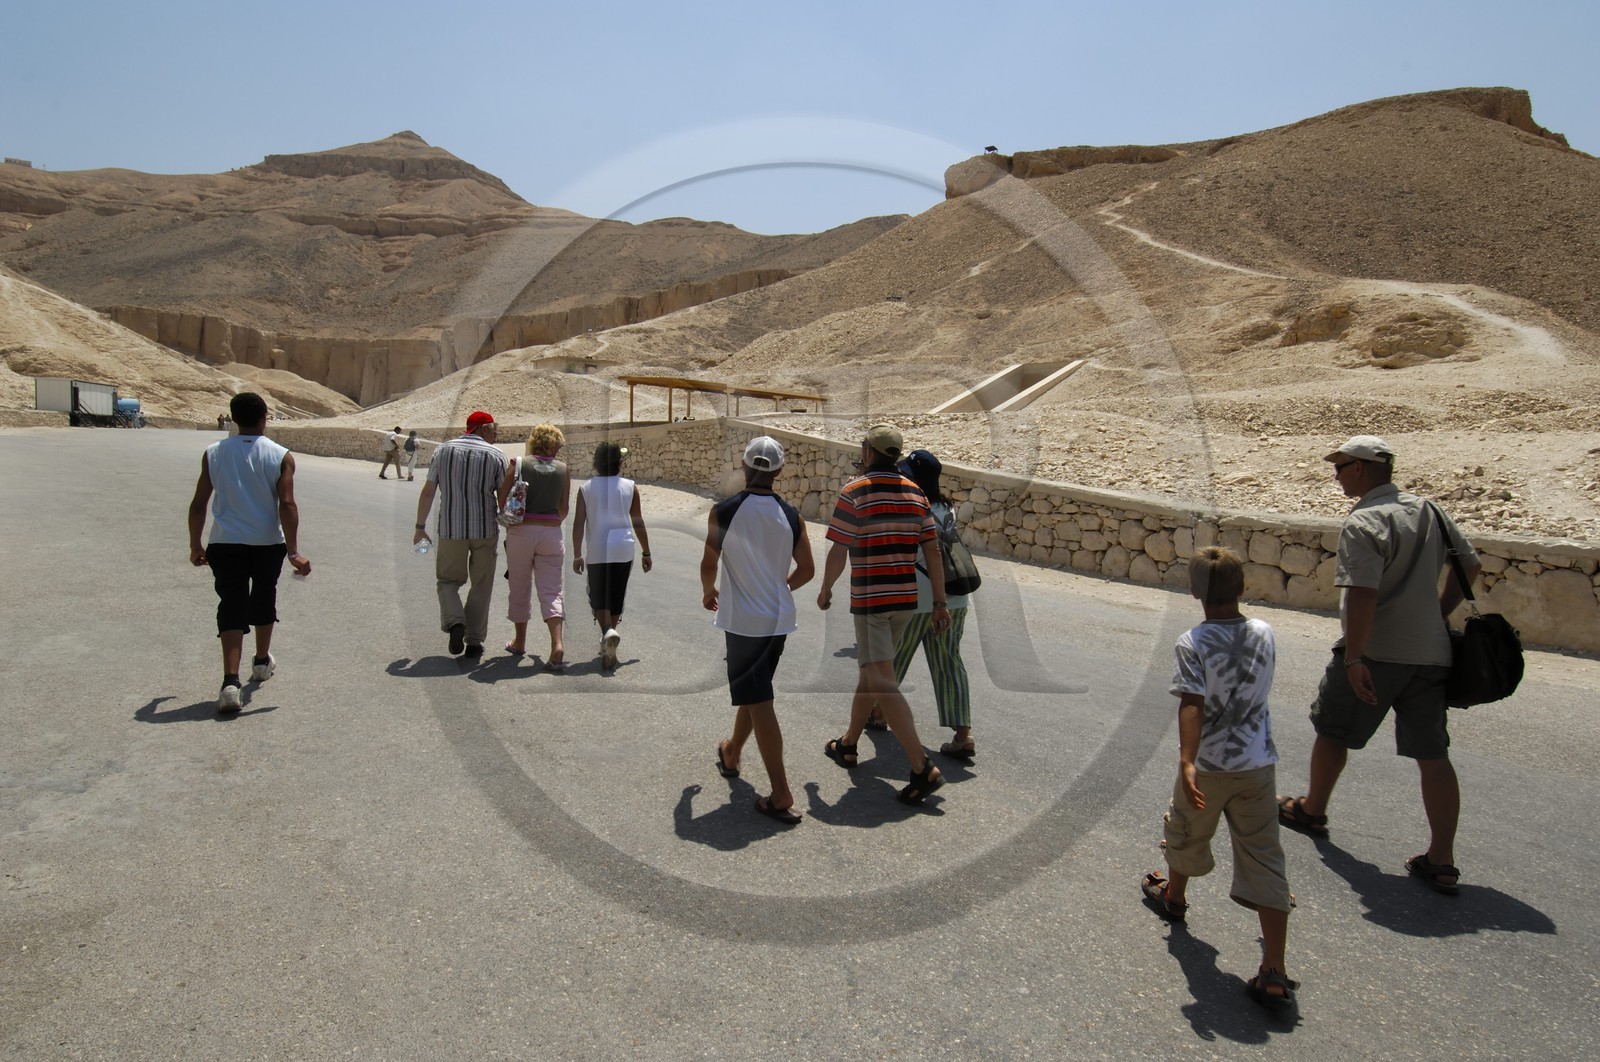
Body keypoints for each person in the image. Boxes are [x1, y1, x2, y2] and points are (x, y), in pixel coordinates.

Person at [1277, 436, 1482, 896]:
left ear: (1362, 470)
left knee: (1333, 730)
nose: (1335, 474)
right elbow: (1470, 563)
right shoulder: (1430, 510)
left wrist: (1354, 656)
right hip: (1430, 654)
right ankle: (1442, 860)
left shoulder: (1365, 520)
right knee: (1434, 754)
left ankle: (1312, 809)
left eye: (1340, 466)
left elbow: (1363, 593)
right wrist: (1438, 613)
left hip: (1376, 651)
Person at [1140, 546, 1297, 1010]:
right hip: (1257, 765)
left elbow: (1193, 702)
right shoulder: (1265, 632)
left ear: (1193, 592)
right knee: (1265, 855)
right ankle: (1275, 969)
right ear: (1243, 587)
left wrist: (1188, 761)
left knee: (1186, 829)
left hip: (1209, 765)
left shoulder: (1193, 642)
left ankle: (1175, 895)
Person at [816, 423, 949, 805]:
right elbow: (933, 551)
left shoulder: (855, 491)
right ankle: (849, 744)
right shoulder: (916, 493)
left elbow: (839, 548)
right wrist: (939, 603)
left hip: (872, 603)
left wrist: (826, 588)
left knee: (882, 680)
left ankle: (922, 767)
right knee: (871, 674)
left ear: (869, 452)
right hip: (905, 602)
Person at [701, 436, 816, 825]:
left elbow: (708, 562)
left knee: (760, 699)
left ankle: (781, 792)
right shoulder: (792, 515)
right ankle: (732, 751)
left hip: (743, 623)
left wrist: (707, 590)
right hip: (778, 621)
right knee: (757, 691)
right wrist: (779, 588)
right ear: (779, 471)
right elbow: (807, 570)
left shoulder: (724, 511)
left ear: (745, 465)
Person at [187, 392, 312, 713]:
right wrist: (294, 551)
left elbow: (199, 503)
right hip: (267, 542)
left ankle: (230, 682)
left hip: (225, 542)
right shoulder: (281, 455)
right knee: (263, 597)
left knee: (231, 603)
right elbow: (287, 503)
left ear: (233, 418)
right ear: (264, 418)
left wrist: (195, 545)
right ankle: (260, 663)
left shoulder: (214, 453)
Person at [888, 449, 976, 759]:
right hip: (955, 598)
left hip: (919, 599)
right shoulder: (946, 508)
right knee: (949, 662)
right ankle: (963, 733)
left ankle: (875, 712)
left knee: (892, 657)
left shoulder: (910, 507)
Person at [413, 411, 507, 657]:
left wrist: (420, 528)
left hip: (451, 530)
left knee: (447, 581)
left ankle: (455, 621)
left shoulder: (443, 451)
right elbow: (503, 498)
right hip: (485, 530)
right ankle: (474, 640)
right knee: (482, 584)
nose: (496, 436)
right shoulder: (495, 455)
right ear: (483, 428)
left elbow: (428, 491)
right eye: (494, 431)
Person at [572, 441, 652, 669]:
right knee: (616, 595)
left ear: (596, 463)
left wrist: (578, 553)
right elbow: (638, 521)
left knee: (598, 596)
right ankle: (610, 635)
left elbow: (579, 523)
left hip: (598, 549)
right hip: (623, 549)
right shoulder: (630, 486)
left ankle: (607, 632)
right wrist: (646, 551)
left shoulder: (586, 488)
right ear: (619, 463)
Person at [499, 424, 570, 669]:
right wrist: (549, 521)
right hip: (551, 534)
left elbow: (502, 497)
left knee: (519, 585)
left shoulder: (518, 463)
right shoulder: (563, 469)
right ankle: (557, 645)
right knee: (552, 590)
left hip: (520, 532)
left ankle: (520, 641)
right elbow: (563, 510)